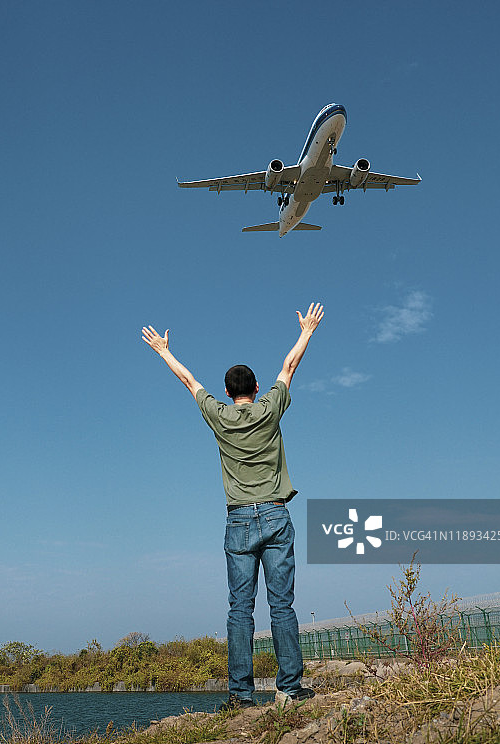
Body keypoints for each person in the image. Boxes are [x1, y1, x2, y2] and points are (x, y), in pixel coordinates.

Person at [141, 302, 324, 708]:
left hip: (238, 520)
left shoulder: (219, 415)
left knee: (240, 610)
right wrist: (307, 330)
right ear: (256, 389)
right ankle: (290, 689)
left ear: (227, 392)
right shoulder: (270, 409)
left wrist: (162, 350)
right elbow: (289, 366)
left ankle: (241, 696)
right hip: (276, 514)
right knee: (283, 606)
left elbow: (189, 382)